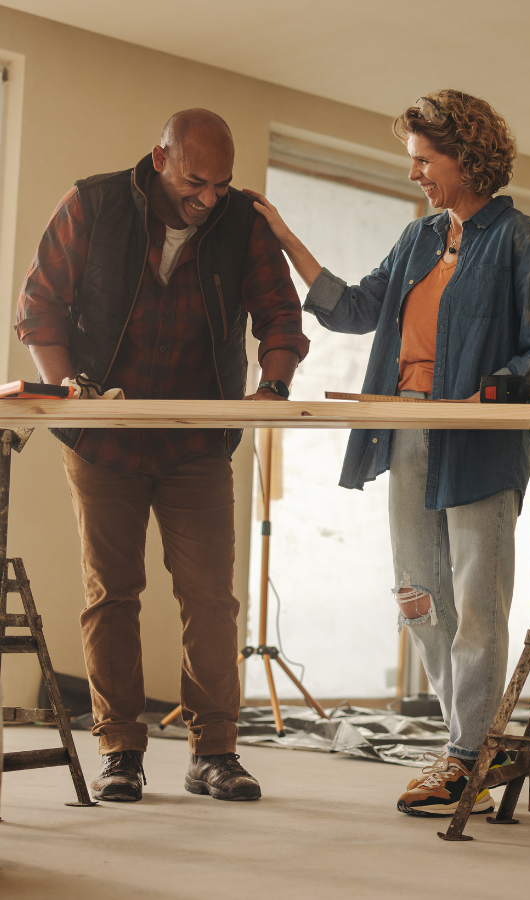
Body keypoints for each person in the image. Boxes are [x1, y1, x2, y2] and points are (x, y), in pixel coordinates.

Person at [246, 89, 530, 817]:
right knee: (419, 596)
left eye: (425, 160)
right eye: (412, 161)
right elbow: (358, 308)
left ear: (466, 157)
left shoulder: (522, 241)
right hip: (406, 430)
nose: (415, 174)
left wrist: (492, 397)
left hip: (479, 441)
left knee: (478, 605)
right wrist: (288, 240)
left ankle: (465, 757)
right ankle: (471, 744)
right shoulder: (419, 239)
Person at [17, 109, 310, 803]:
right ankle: (120, 750)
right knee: (111, 594)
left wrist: (273, 386)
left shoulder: (240, 222)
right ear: (159, 159)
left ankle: (216, 753)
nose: (209, 199)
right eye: (195, 182)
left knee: (210, 598)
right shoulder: (92, 203)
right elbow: (40, 306)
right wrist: (67, 388)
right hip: (102, 438)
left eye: (222, 185)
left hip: (196, 441)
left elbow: (280, 316)